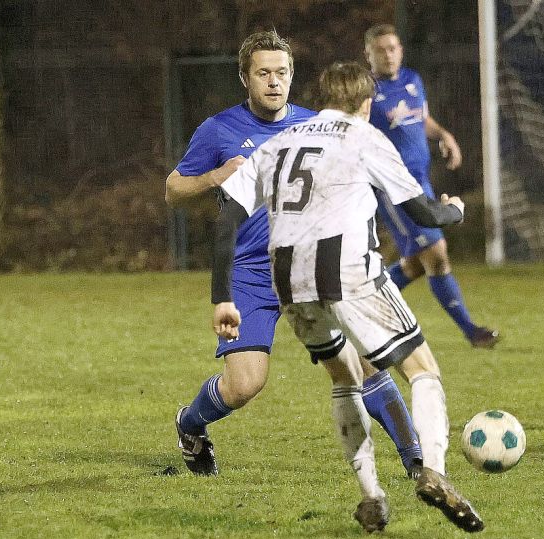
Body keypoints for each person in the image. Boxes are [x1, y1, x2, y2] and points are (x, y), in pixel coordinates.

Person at [213, 61, 485, 534]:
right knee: (421, 369)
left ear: (322, 97)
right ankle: (434, 472)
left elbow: (225, 217)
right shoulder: (363, 136)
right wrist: (455, 212)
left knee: (345, 376)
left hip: (288, 278)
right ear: (365, 103)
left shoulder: (278, 143)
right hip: (346, 269)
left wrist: (222, 296)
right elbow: (422, 212)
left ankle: (372, 496)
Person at [165, 30, 422, 479]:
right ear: (245, 78)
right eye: (263, 73)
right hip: (250, 272)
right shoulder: (218, 129)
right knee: (245, 384)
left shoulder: (313, 125)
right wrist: (215, 176)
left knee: (363, 362)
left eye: (281, 72)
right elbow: (173, 190)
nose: (274, 82)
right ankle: (190, 424)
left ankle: (418, 463)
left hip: (310, 264)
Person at [363, 24, 499, 348]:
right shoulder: (365, 91)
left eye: (393, 48)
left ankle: (363, 304)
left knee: (415, 264)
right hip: (392, 189)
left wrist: (444, 135)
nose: (388, 55)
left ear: (400, 50)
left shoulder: (412, 79)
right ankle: (472, 331)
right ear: (368, 55)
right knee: (436, 254)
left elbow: (420, 119)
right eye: (380, 50)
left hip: (421, 181)